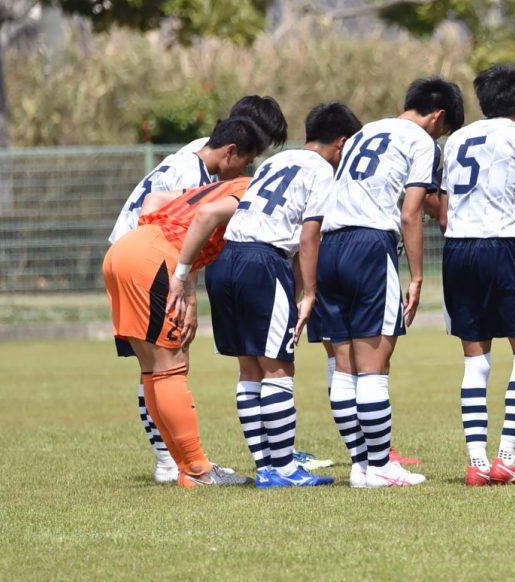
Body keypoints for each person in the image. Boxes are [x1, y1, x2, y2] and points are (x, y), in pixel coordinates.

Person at [107, 96, 287, 483]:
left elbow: (156, 202)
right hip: (152, 259)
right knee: (170, 367)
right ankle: (189, 466)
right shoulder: (227, 183)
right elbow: (198, 222)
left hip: (126, 251)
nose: (249, 168)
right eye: (248, 159)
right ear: (233, 149)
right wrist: (185, 289)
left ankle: (177, 462)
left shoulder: (197, 156)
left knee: (154, 368)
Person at [313, 77, 464, 487]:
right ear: (438, 116)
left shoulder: (364, 132)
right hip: (369, 246)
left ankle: (361, 465)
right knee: (374, 365)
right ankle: (380, 466)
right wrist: (416, 276)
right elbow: (411, 213)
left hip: (329, 245)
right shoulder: (422, 143)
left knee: (344, 367)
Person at [204, 102, 362, 488]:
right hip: (262, 261)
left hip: (226, 258)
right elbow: (309, 237)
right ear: (341, 144)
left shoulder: (276, 161)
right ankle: (286, 468)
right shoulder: (324, 173)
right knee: (277, 367)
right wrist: (309, 293)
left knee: (248, 368)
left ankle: (266, 467)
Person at [439, 64, 515, 486]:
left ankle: (477, 462)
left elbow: (444, 210)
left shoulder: (457, 139)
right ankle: (507, 455)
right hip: (501, 246)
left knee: (475, 357)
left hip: (456, 249)